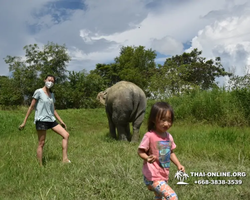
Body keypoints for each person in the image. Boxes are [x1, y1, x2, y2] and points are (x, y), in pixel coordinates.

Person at [19, 75, 70, 166]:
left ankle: (65, 159)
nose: (50, 82)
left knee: (66, 135)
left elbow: (53, 110)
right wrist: (24, 122)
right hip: (41, 120)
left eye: (52, 81)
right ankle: (40, 165)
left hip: (51, 120)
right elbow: (31, 107)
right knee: (41, 143)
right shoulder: (38, 92)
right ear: (45, 80)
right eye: (49, 80)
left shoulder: (52, 95)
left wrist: (61, 121)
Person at [138, 102, 184, 200]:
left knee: (159, 197)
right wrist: (147, 158)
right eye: (163, 120)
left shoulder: (169, 137)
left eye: (169, 120)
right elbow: (140, 151)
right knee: (172, 197)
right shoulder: (150, 136)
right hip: (152, 176)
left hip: (163, 175)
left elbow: (170, 152)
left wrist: (178, 164)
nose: (167, 124)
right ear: (154, 120)